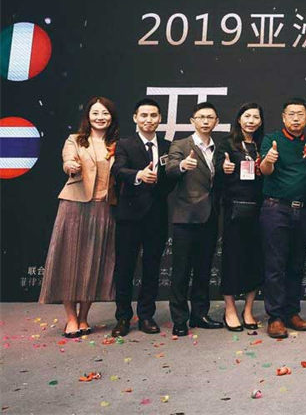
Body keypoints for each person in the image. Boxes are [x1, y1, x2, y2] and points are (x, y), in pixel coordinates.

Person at [40, 97, 119, 338]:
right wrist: (70, 166)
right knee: (69, 261)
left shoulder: (117, 144)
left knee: (93, 263)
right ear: (88, 116)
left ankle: (84, 316)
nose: (100, 117)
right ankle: (71, 318)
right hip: (75, 206)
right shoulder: (75, 140)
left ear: (111, 117)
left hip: (104, 208)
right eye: (95, 113)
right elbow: (68, 161)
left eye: (105, 113)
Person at [110, 98, 171, 337]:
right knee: (124, 268)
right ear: (135, 118)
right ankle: (123, 317)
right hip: (129, 216)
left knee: (152, 267)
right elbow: (118, 170)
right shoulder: (125, 144)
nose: (149, 120)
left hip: (157, 215)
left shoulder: (167, 146)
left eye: (153, 115)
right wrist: (139, 175)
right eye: (144, 115)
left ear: (160, 118)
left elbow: (171, 178)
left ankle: (146, 315)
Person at [259, 98, 306, 339]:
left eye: (300, 114)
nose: (295, 118)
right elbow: (265, 170)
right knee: (275, 264)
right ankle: (275, 317)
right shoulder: (272, 140)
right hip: (276, 209)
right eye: (291, 114)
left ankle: (292, 312)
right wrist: (269, 160)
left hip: (304, 211)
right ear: (283, 117)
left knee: (297, 264)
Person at [165, 102, 223, 336]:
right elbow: (170, 169)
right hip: (186, 217)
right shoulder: (181, 145)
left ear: (216, 122)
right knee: (181, 271)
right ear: (192, 121)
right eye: (201, 117)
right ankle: (180, 319)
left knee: (203, 269)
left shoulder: (219, 148)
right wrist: (182, 165)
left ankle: (200, 314)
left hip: (210, 216)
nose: (206, 121)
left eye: (210, 117)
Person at [213, 102, 265, 332]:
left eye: (256, 117)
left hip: (260, 209)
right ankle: (230, 309)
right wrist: (223, 169)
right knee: (232, 259)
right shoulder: (227, 144)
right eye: (247, 116)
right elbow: (216, 173)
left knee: (255, 259)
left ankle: (249, 309)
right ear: (239, 119)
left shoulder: (263, 144)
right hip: (234, 209)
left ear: (260, 121)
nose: (251, 121)